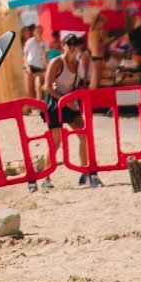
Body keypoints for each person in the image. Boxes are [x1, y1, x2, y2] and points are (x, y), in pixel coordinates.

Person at [40, 34, 102, 189]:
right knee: (56, 142)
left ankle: (85, 173)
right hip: (55, 103)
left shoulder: (77, 63)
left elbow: (76, 84)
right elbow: (47, 86)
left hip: (69, 101)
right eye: (69, 44)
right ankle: (46, 178)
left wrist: (75, 95)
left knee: (84, 135)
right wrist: (63, 100)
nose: (72, 47)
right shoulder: (56, 62)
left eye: (74, 44)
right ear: (63, 46)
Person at [87, 14, 113, 89]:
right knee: (95, 81)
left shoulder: (93, 32)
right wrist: (108, 42)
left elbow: (90, 47)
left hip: (97, 57)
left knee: (96, 80)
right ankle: (91, 94)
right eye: (103, 22)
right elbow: (97, 47)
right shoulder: (95, 33)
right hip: (97, 58)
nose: (104, 25)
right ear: (98, 22)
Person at [23, 24, 49, 100]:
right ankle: (30, 101)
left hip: (39, 67)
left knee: (38, 86)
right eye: (38, 31)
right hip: (30, 65)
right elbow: (25, 55)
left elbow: (45, 58)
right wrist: (27, 66)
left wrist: (47, 68)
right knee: (29, 88)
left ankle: (38, 103)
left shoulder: (44, 43)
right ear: (34, 32)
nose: (39, 33)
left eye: (40, 31)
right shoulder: (30, 42)